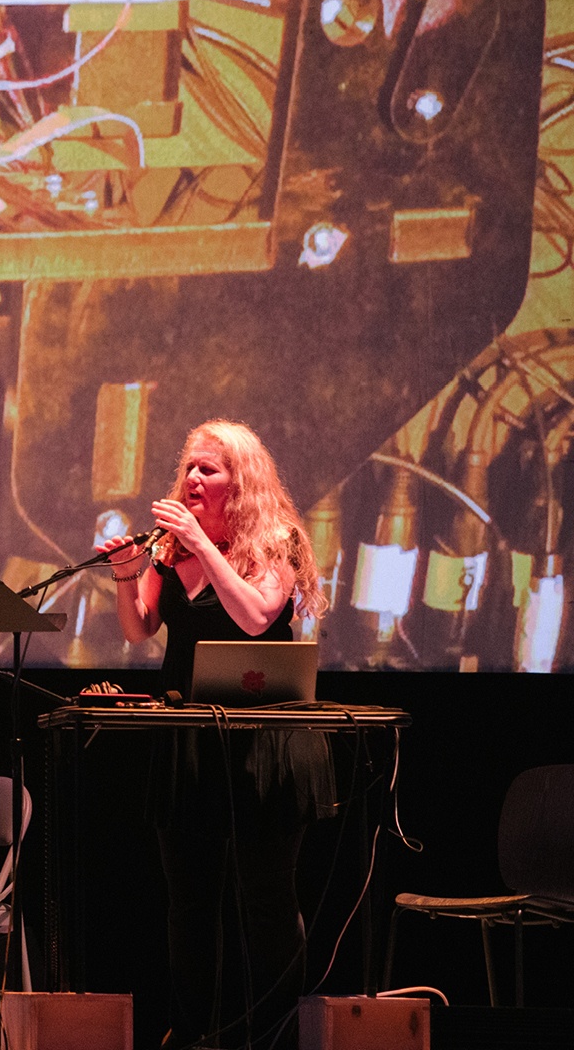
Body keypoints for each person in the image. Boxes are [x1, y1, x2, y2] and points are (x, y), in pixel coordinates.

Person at [96, 420, 334, 1049]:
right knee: (189, 903)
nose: (193, 479)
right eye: (190, 469)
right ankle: (196, 1033)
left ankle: (276, 1035)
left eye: (209, 470)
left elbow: (256, 618)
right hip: (189, 740)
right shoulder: (169, 549)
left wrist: (203, 544)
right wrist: (126, 573)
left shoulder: (276, 541)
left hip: (263, 743)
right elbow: (139, 629)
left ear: (242, 480)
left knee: (266, 899)